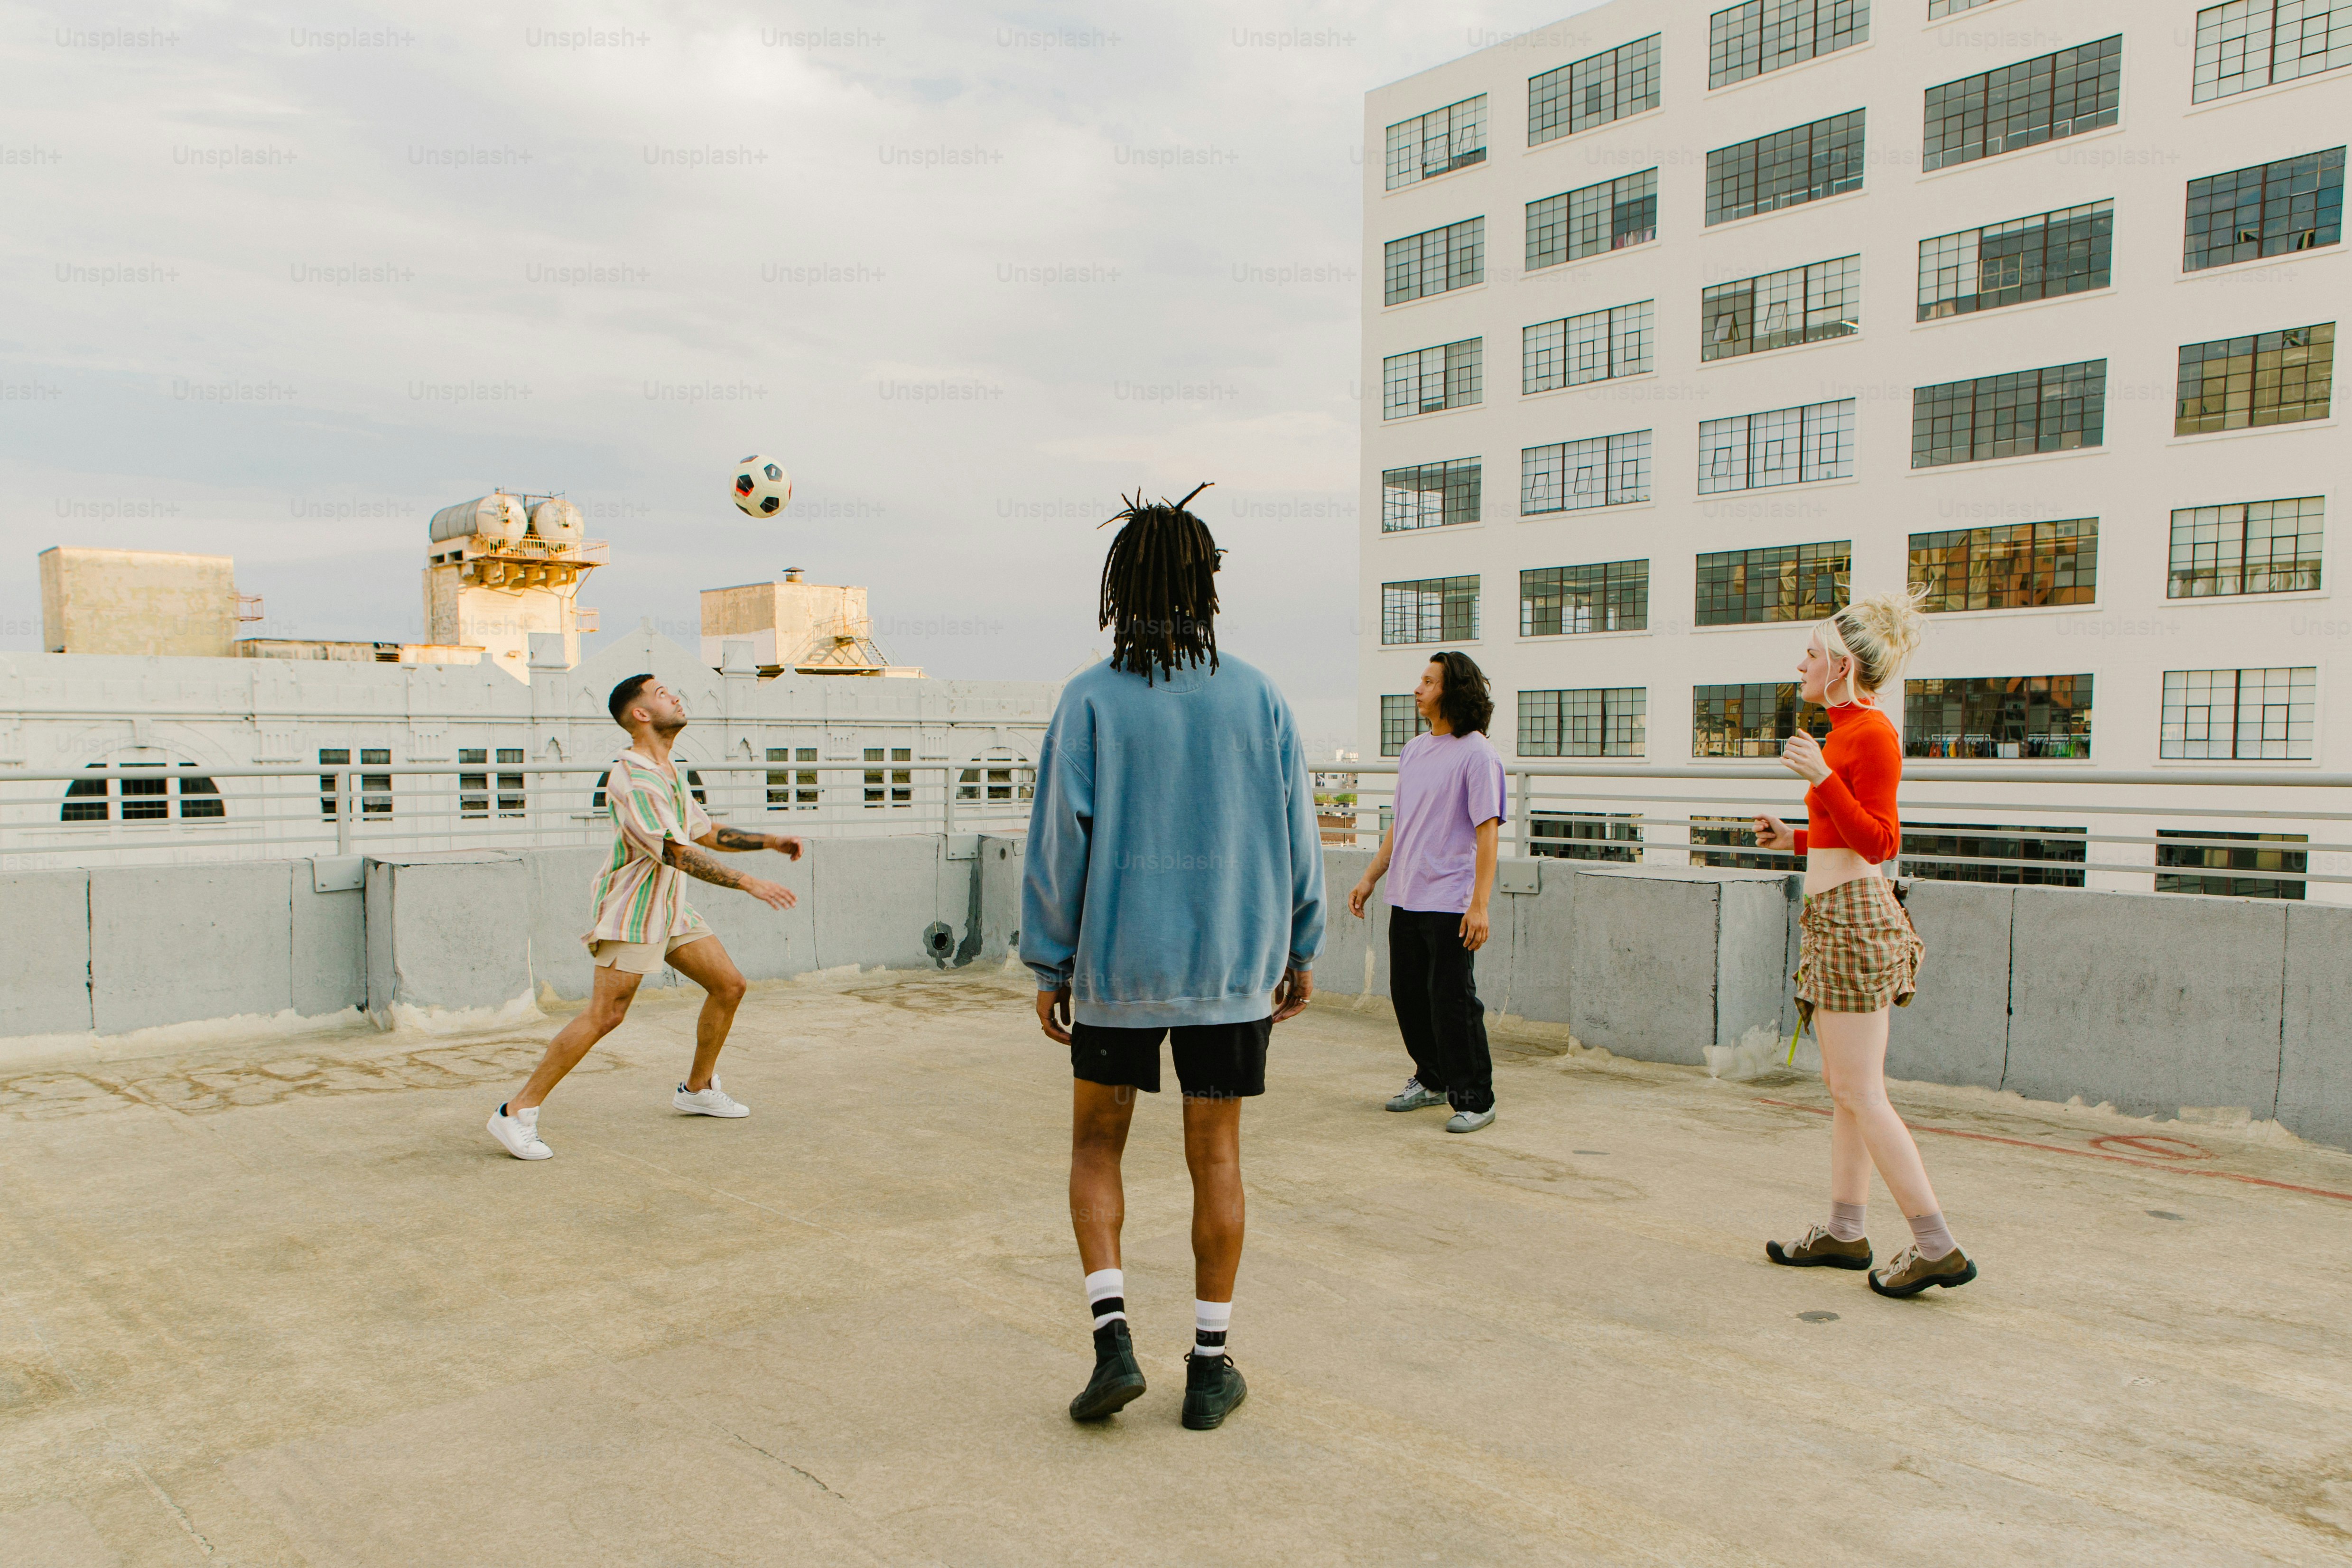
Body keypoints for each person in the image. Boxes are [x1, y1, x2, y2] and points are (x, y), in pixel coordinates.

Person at [1023, 485, 1325, 1431]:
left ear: (1121, 585)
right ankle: (1207, 1365)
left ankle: (1113, 1340)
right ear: (1207, 583)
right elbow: (1298, 834)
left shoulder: (1089, 698)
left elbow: (1057, 846)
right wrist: (1299, 944)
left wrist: (1051, 960)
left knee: (1094, 1145)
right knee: (1217, 1156)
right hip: (1231, 967)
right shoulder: (1259, 694)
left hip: (1119, 968)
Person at [1753, 590, 1977, 1298]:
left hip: (1854, 918)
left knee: (1859, 1091)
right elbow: (1842, 839)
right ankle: (1846, 1231)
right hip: (1834, 914)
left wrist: (1820, 776)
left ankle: (1936, 1245)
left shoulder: (1870, 733)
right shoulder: (1843, 729)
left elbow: (1881, 842)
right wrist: (1790, 837)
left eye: (1812, 656)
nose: (1801, 665)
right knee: (1846, 1091)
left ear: (1842, 665)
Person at [486, 674, 801, 1161]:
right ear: (640, 714)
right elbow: (676, 852)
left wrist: (770, 840)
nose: (675, 695)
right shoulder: (634, 778)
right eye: (661, 694)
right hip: (634, 909)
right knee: (606, 1015)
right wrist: (749, 882)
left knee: (728, 985)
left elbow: (704, 831)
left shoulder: (668, 769)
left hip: (671, 907)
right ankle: (516, 1112)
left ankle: (697, 1088)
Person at [1347, 651, 1504, 1134]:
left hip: (1450, 899)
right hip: (1407, 894)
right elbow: (1402, 821)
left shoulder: (1477, 753)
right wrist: (1372, 875)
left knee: (1452, 1001)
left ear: (1452, 691)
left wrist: (1478, 904)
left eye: (1428, 681)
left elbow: (1487, 831)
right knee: (1408, 996)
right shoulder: (1414, 750)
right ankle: (1431, 1078)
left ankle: (1475, 1097)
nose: (1418, 688)